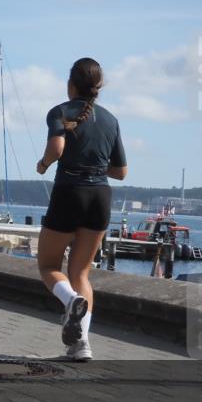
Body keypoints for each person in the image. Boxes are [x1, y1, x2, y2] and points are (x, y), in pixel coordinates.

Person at [36, 57, 127, 361]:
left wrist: (44, 164)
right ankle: (82, 345)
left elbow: (57, 148)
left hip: (69, 192)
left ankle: (71, 300)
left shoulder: (60, 112)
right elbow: (121, 171)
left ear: (71, 84)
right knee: (81, 272)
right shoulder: (111, 120)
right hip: (100, 196)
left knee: (49, 265)